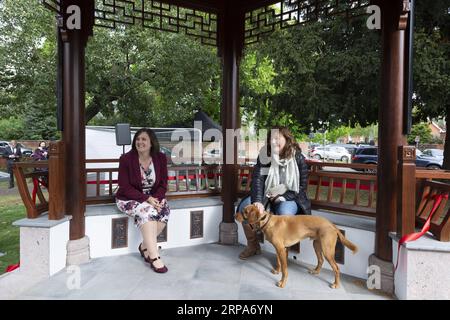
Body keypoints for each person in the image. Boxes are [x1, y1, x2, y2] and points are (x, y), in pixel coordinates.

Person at [237, 127, 311, 260]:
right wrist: (258, 201)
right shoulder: (265, 156)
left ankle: (282, 252)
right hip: (266, 194)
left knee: (285, 214)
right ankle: (253, 246)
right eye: (272, 139)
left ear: (287, 139)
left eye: (278, 138)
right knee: (246, 208)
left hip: (291, 197)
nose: (274, 141)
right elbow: (258, 179)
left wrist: (283, 197)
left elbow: (301, 186)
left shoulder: (298, 158)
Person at [115, 128, 170, 273]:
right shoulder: (126, 159)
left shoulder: (161, 158)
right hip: (129, 198)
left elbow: (164, 183)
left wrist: (156, 199)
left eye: (144, 139)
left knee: (164, 211)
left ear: (152, 142)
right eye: (138, 139)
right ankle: (154, 256)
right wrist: (147, 199)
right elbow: (124, 186)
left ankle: (144, 246)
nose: (140, 142)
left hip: (153, 197)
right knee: (148, 212)